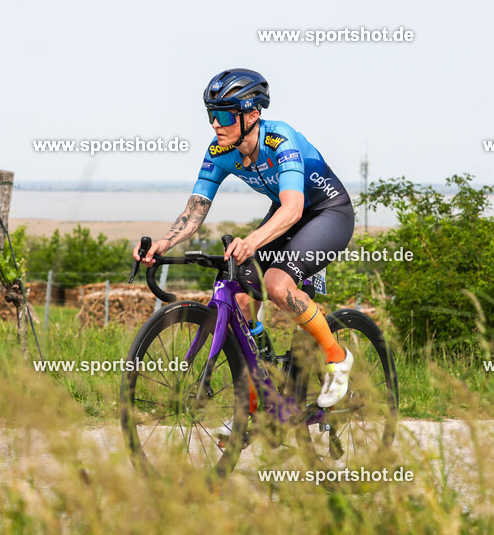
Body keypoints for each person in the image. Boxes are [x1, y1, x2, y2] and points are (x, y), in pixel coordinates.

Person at [133, 68, 355, 407]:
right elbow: (196, 209)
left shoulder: (279, 140)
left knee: (278, 286)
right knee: (237, 298)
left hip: (326, 212)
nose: (215, 124)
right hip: (284, 215)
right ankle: (256, 401)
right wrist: (164, 242)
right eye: (211, 114)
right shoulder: (220, 151)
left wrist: (251, 241)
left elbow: (294, 208)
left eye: (223, 114)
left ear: (252, 114)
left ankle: (337, 358)